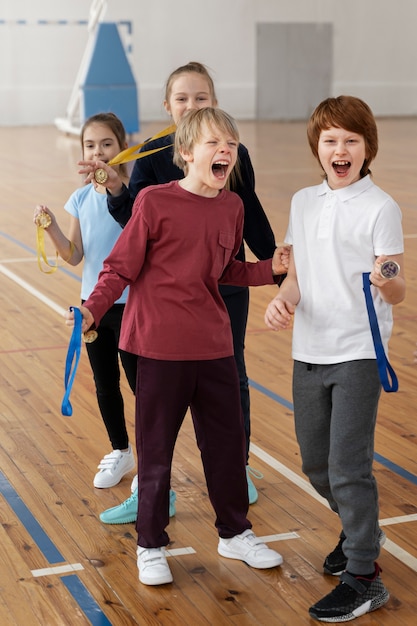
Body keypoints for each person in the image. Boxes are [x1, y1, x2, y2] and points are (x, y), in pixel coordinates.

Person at [67, 107, 289, 586]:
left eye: (230, 143)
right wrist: (93, 310)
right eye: (214, 143)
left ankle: (234, 533)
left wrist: (268, 271)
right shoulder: (153, 202)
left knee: (227, 447)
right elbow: (118, 268)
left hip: (214, 347)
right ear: (186, 154)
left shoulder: (232, 207)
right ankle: (150, 543)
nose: (225, 150)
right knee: (156, 449)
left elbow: (226, 271)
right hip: (159, 347)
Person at [265, 96, 406, 622]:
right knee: (316, 466)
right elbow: (297, 276)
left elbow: (398, 289)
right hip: (309, 350)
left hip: (358, 354)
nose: (340, 149)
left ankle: (365, 576)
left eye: (351, 140)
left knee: (348, 468)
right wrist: (284, 299)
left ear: (366, 148)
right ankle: (358, 530)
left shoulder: (380, 206)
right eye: (330, 140)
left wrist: (387, 281)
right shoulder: (303, 201)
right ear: (317, 149)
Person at [34, 113, 137, 489]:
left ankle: (155, 457)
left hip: (132, 305)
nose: (98, 151)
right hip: (93, 308)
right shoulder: (79, 197)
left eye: (106, 144)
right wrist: (52, 228)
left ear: (122, 148)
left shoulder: (134, 195)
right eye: (90, 145)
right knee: (104, 383)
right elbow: (74, 255)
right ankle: (121, 451)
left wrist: (115, 188)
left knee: (141, 384)